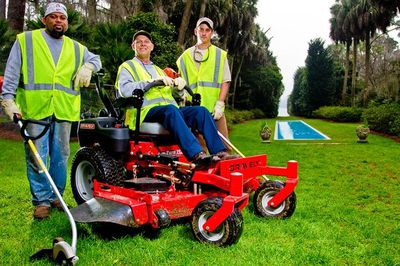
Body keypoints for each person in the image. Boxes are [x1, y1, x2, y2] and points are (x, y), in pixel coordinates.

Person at [0, 2, 101, 220]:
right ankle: (41, 201)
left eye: (62, 18)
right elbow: (12, 70)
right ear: (44, 20)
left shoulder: (76, 47)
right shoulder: (26, 40)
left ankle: (56, 196)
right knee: (37, 155)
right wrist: (8, 99)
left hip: (64, 109)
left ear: (66, 22)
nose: (58, 21)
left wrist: (89, 66)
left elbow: (96, 59)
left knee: (60, 155)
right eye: (53, 17)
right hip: (36, 108)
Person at [115, 30, 236, 169]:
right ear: (133, 46)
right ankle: (198, 155)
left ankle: (220, 152)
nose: (143, 44)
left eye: (146, 42)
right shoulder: (127, 67)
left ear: (152, 46)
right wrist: (152, 81)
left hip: (168, 111)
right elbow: (124, 90)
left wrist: (178, 89)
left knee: (201, 111)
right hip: (143, 112)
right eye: (139, 42)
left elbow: (168, 94)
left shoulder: (159, 70)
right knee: (171, 110)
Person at [176, 17, 232, 150]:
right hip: (194, 111)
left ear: (212, 33)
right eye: (201, 29)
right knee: (199, 151)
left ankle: (224, 169)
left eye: (207, 30)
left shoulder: (220, 55)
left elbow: (225, 81)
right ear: (195, 31)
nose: (204, 33)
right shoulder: (185, 56)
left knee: (224, 148)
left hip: (214, 110)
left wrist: (220, 103)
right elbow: (179, 83)